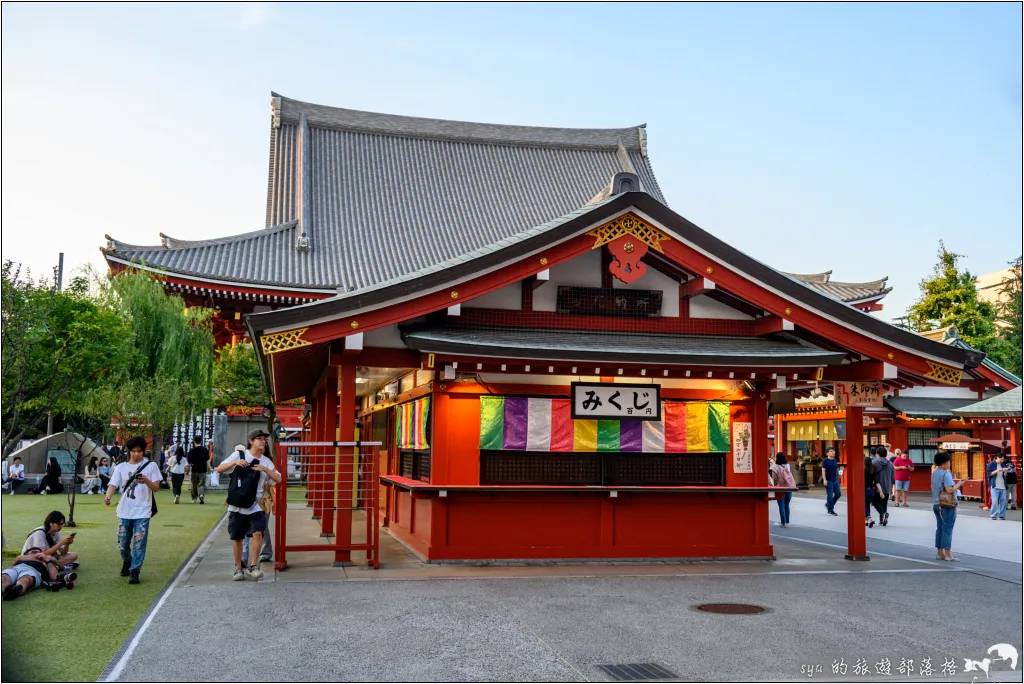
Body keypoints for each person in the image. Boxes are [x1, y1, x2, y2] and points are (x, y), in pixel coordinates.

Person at [215, 429, 280, 581]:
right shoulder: (239, 455)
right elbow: (219, 468)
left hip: (256, 503)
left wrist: (264, 469)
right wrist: (234, 462)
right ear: (251, 441)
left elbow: (278, 479)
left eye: (264, 439)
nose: (263, 441)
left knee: (258, 532)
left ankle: (253, 565)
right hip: (237, 503)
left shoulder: (266, 461)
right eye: (259, 439)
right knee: (237, 537)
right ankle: (238, 568)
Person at [105, 436, 161, 584]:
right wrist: (108, 497)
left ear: (143, 451)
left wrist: (146, 481)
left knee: (139, 542)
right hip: (125, 510)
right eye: (134, 451)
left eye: (140, 451)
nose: (136, 454)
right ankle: (127, 561)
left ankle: (135, 570)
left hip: (143, 510)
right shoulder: (121, 467)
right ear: (129, 451)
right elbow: (113, 484)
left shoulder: (151, 466)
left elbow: (156, 488)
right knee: (123, 542)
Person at [932, 451, 965, 561]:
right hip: (947, 504)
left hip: (937, 503)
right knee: (948, 529)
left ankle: (939, 553)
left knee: (940, 528)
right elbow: (950, 489)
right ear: (944, 462)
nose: (950, 463)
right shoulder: (946, 474)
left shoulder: (935, 473)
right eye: (949, 461)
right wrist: (959, 484)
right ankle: (948, 554)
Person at [770, 452, 795, 528]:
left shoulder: (775, 467)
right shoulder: (787, 465)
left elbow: (775, 479)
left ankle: (783, 523)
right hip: (788, 487)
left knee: (781, 506)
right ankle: (787, 522)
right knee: (787, 505)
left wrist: (774, 487)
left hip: (780, 488)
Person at [871, 446, 895, 526]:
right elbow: (892, 476)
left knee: (874, 501)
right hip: (887, 486)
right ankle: (883, 519)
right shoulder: (890, 464)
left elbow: (871, 474)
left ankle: (883, 514)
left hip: (877, 487)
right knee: (884, 503)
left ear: (878, 454)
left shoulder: (874, 462)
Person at [185, 436, 210, 504]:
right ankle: (201, 495)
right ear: (201, 441)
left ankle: (194, 498)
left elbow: (189, 462)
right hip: (203, 469)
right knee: (201, 484)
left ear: (194, 442)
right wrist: (210, 468)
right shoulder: (205, 450)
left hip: (194, 469)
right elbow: (207, 460)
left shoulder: (192, 450)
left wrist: (187, 470)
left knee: (194, 484)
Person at [987, 453, 1009, 521]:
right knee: (995, 501)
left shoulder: (1003, 465)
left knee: (1003, 501)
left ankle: (1002, 515)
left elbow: (1005, 477)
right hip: (994, 485)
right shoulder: (991, 464)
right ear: (997, 458)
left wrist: (1005, 473)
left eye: (1003, 459)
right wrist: (997, 471)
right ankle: (993, 514)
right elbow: (989, 474)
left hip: (1003, 485)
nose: (1002, 461)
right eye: (1001, 459)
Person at [820, 447, 841, 516]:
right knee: (830, 495)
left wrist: (839, 474)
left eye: (834, 451)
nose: (833, 452)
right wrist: (825, 480)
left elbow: (836, 469)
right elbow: (823, 471)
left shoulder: (835, 460)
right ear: (827, 453)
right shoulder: (825, 461)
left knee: (838, 494)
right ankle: (830, 510)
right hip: (828, 481)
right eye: (831, 451)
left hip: (835, 480)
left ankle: (828, 505)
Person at [863, 456, 882, 528]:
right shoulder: (873, 469)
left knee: (865, 506)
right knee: (868, 505)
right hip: (871, 490)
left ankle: (869, 518)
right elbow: (876, 482)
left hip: (864, 489)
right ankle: (866, 521)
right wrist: (880, 491)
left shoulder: (863, 470)